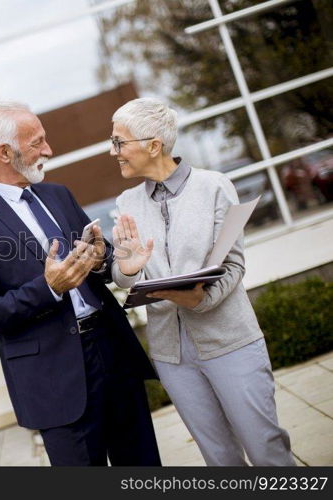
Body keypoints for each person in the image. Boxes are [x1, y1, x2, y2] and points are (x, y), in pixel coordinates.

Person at [0, 102, 161, 466]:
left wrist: (111, 259)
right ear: (4, 152)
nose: (48, 150)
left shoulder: (58, 194)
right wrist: (47, 289)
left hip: (112, 351)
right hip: (54, 380)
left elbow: (99, 257)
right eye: (37, 143)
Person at [109, 97, 295, 466]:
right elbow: (124, 278)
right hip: (172, 355)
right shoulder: (127, 202)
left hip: (229, 340)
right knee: (219, 459)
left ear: (153, 145)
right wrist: (128, 268)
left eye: (119, 142)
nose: (113, 151)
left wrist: (201, 300)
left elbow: (234, 265)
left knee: (265, 448)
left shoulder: (213, 186)